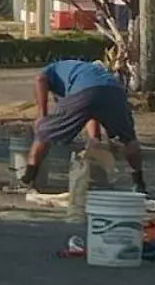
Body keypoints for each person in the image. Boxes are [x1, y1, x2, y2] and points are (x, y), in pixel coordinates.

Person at [22, 58, 147, 195]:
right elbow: (91, 110)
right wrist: (94, 139)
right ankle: (139, 183)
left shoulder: (52, 69)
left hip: (86, 92)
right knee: (128, 139)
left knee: (44, 132)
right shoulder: (90, 72)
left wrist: (42, 115)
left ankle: (28, 179)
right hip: (115, 93)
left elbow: (40, 79)